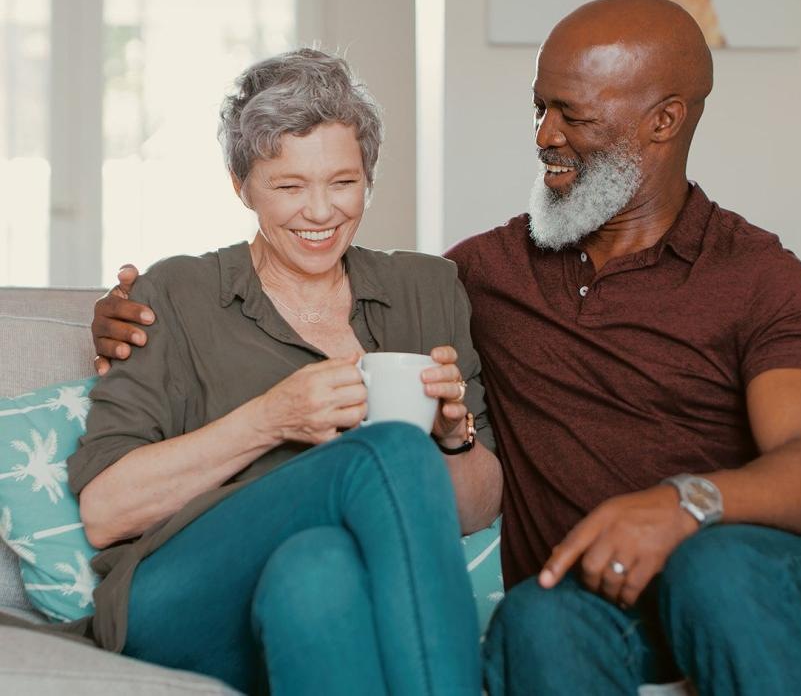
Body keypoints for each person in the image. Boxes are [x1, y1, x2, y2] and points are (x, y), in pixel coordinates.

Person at [94, 0, 801, 695]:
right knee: (534, 614)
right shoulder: (484, 274)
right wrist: (119, 317)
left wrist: (683, 505)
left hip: (749, 575)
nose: (544, 137)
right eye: (539, 110)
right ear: (244, 185)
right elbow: (111, 495)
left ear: (662, 121)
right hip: (587, 596)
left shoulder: (756, 274)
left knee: (714, 566)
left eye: (572, 115)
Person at [70, 47, 502, 696]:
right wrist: (272, 417)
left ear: (369, 177)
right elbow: (105, 513)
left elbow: (476, 508)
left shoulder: (427, 289)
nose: (322, 212)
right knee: (384, 449)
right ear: (241, 184)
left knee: (317, 570)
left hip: (315, 594)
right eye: (290, 186)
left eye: (344, 182)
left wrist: (452, 437)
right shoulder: (176, 294)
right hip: (180, 600)